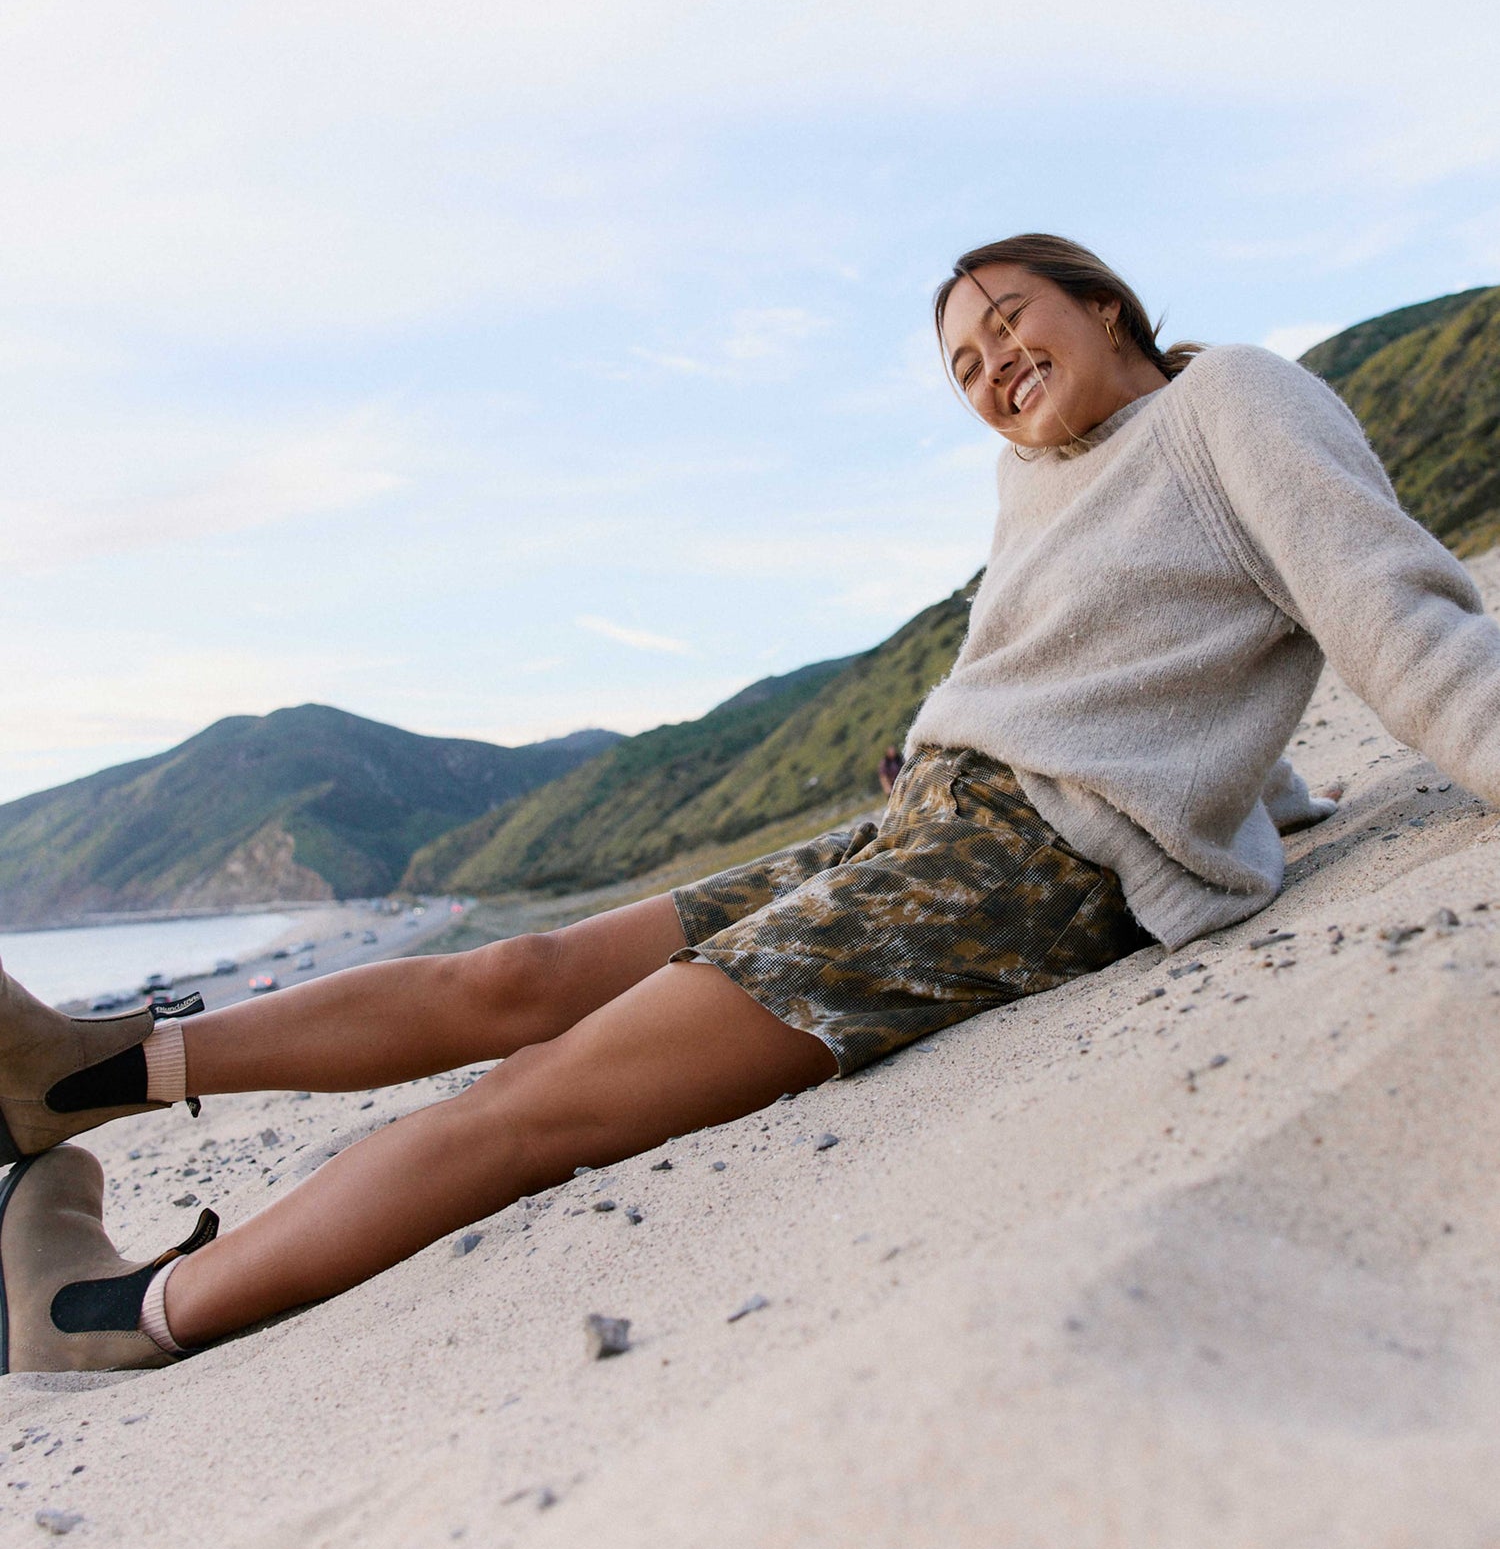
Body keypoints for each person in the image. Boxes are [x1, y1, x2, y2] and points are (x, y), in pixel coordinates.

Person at [5, 229, 1489, 1375]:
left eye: (1005, 321)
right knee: (518, 972)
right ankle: (86, 1072)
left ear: (1103, 301)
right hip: (929, 825)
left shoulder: (1234, 397)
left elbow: (1387, 610)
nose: (989, 366)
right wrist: (1253, 792)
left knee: (541, 1103)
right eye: (963, 366)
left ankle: (129, 1312)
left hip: (1019, 864)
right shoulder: (1045, 484)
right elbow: (1163, 673)